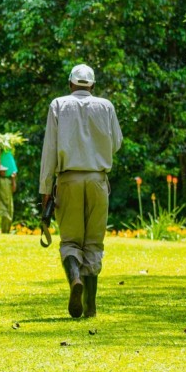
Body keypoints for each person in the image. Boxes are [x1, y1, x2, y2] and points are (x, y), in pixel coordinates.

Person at [39, 64, 122, 318]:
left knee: (71, 241)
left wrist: (45, 190)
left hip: (68, 179)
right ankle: (90, 306)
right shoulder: (106, 106)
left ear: (70, 84)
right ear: (93, 86)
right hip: (98, 180)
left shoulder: (58, 105)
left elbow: (49, 150)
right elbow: (117, 143)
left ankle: (74, 278)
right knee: (94, 242)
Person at [0, 154, 17, 234]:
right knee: (5, 216)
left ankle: (7, 232)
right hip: (1, 202)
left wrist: (13, 179)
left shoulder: (8, 180)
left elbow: (14, 189)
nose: (4, 172)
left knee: (10, 217)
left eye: (4, 171)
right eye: (2, 171)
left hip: (9, 202)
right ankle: (3, 232)